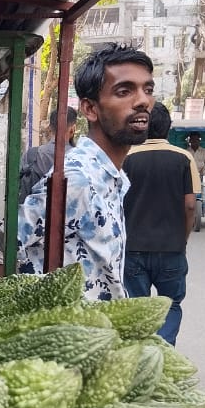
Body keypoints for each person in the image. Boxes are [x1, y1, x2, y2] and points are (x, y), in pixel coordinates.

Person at [17, 43, 154, 301]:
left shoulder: (112, 178)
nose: (143, 101)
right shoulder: (79, 179)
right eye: (125, 91)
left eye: (147, 89)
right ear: (90, 109)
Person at [123, 103, 200, 344]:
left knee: (138, 308)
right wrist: (183, 238)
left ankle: (141, 357)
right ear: (168, 128)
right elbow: (190, 205)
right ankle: (163, 354)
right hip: (171, 248)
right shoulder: (184, 158)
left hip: (133, 248)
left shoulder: (126, 157)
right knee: (171, 305)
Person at [18, 105, 78, 199]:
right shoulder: (79, 158)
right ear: (73, 129)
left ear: (50, 127)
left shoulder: (31, 155)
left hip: (32, 212)